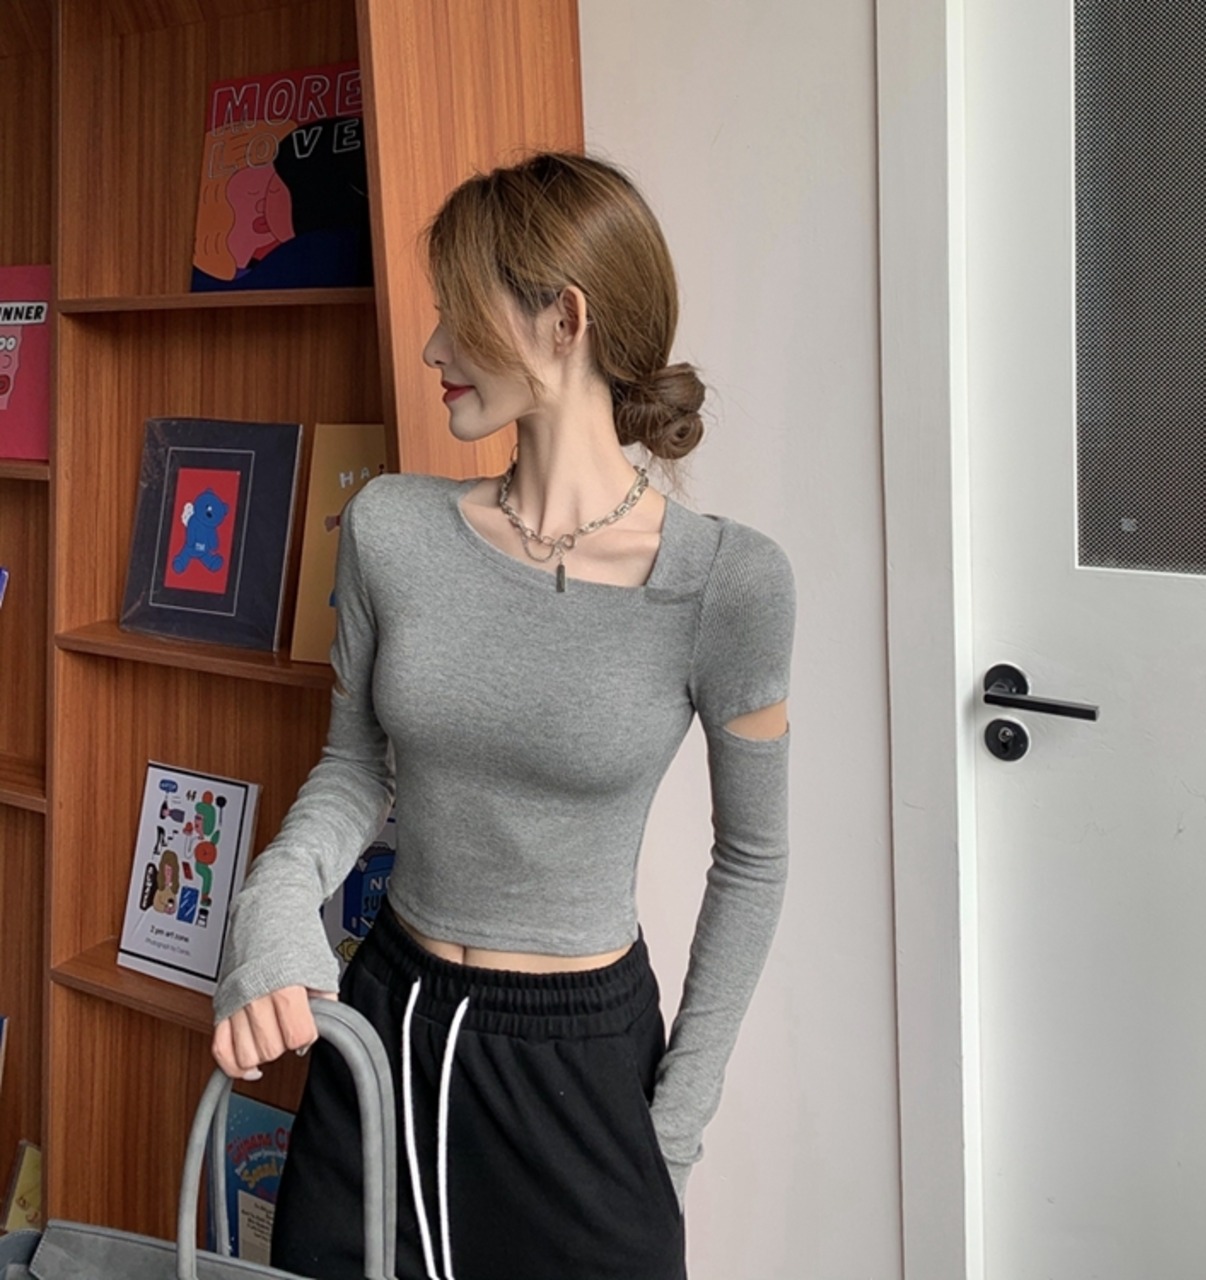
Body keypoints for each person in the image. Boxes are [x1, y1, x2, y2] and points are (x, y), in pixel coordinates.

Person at [211, 151, 795, 1280]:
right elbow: (353, 767)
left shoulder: (730, 584)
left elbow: (753, 862)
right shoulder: (389, 528)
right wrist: (271, 907)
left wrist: (673, 1130)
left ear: (563, 319)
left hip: (584, 1064)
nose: (432, 349)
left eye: (458, 314)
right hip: (384, 1026)